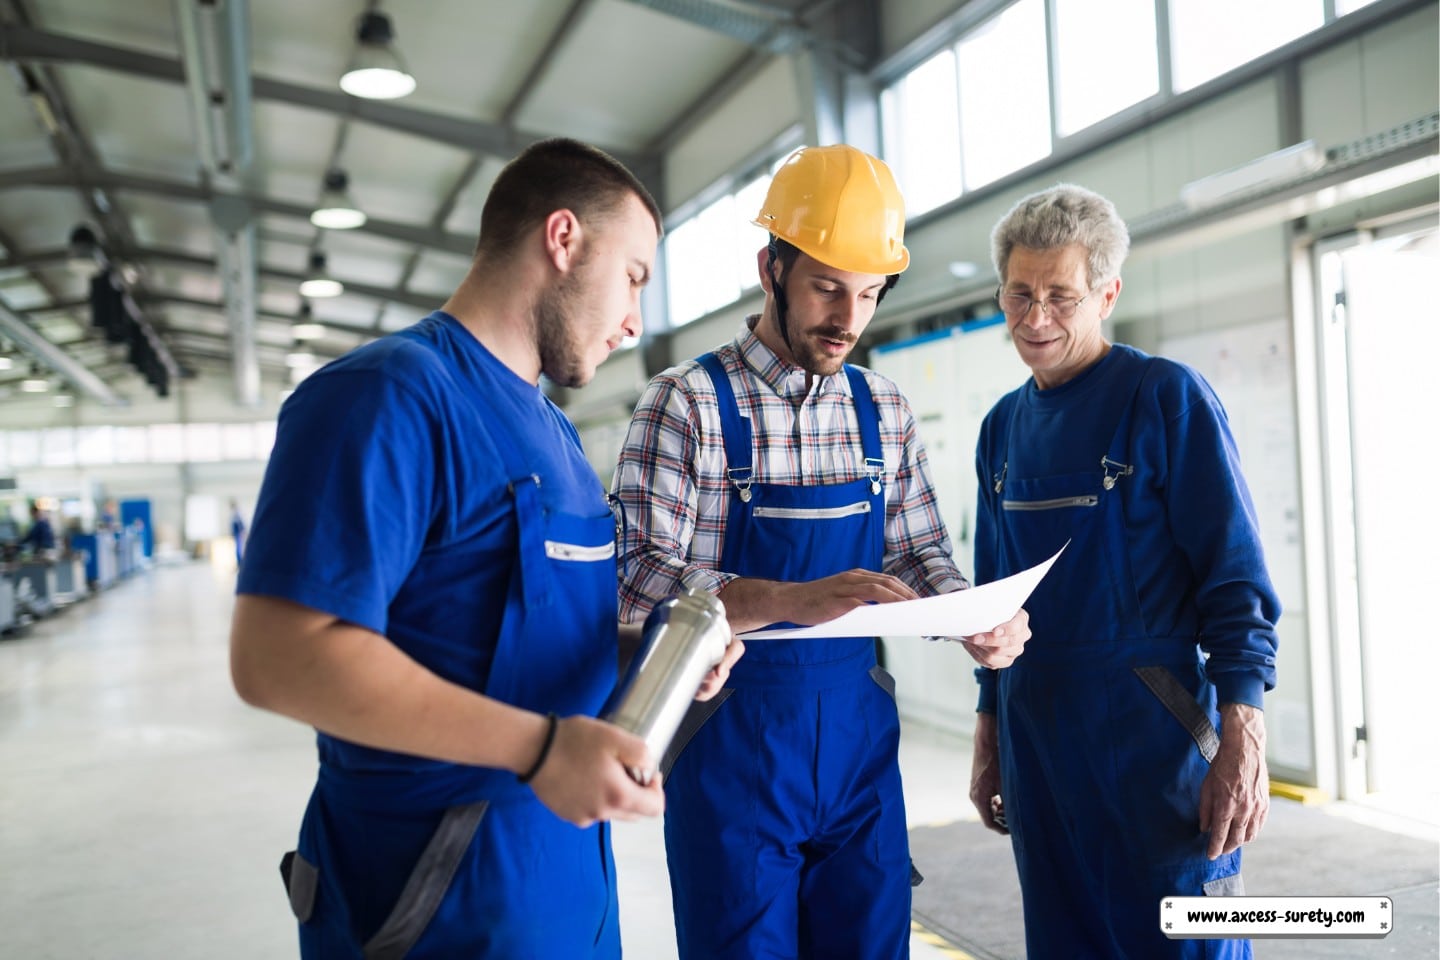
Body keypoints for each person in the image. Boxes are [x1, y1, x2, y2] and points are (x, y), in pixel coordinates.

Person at [229, 138, 742, 960]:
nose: (635, 318)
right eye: (635, 276)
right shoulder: (386, 397)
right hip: (431, 902)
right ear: (563, 239)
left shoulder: (557, 436)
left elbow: (509, 640)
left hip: (563, 886)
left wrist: (654, 664)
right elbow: (276, 656)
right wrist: (540, 749)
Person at [612, 144, 1031, 960]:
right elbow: (635, 585)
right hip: (729, 752)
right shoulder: (685, 403)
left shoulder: (884, 409)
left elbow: (917, 553)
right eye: (827, 288)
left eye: (869, 294)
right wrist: (783, 598)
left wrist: (973, 618)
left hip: (857, 757)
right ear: (771, 268)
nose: (848, 318)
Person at [968, 184, 1280, 959]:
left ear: (1107, 293)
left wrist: (1243, 726)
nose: (1036, 318)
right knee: (1064, 941)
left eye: (1061, 296)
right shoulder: (1001, 428)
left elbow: (1234, 576)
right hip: (1038, 739)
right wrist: (989, 724)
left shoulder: (1166, 399)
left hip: (1158, 739)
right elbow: (990, 593)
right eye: (1020, 295)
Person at [228, 499, 246, 565]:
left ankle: (240, 563)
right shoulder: (234, 514)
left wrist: (242, 532)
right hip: (236, 535)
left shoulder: (237, 514)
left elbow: (241, 525)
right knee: (237, 550)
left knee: (239, 550)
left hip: (238, 534)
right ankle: (239, 563)